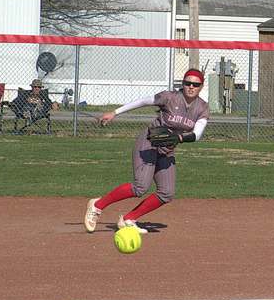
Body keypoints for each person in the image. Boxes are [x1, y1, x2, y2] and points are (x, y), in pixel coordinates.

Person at [83, 69, 209, 234]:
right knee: (140, 187)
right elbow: (143, 101)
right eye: (188, 83)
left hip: (167, 149)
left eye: (196, 84)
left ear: (201, 86)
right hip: (149, 142)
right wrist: (115, 113)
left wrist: (179, 138)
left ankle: (129, 219)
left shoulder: (202, 107)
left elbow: (197, 134)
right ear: (183, 84)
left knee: (166, 193)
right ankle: (97, 205)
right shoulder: (170, 97)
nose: (191, 87)